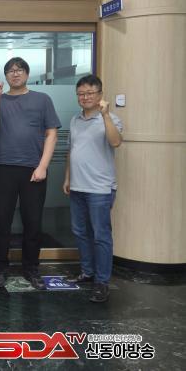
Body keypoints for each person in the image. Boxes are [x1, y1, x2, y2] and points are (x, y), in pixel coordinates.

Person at [0, 57, 61, 290]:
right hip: (3, 168)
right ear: (5, 76)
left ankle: (31, 269)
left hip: (33, 170)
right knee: (1, 222)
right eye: (10, 70)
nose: (15, 73)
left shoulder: (42, 99)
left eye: (19, 70)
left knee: (33, 222)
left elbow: (51, 134)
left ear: (27, 74)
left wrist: (43, 166)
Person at [63, 75, 123, 303]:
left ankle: (102, 282)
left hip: (100, 189)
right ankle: (87, 272)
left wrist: (105, 115)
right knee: (80, 232)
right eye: (80, 93)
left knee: (101, 236)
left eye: (89, 93)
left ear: (100, 94)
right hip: (77, 187)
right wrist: (67, 178)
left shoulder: (111, 119)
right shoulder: (75, 120)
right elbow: (71, 151)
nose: (85, 97)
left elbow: (116, 142)